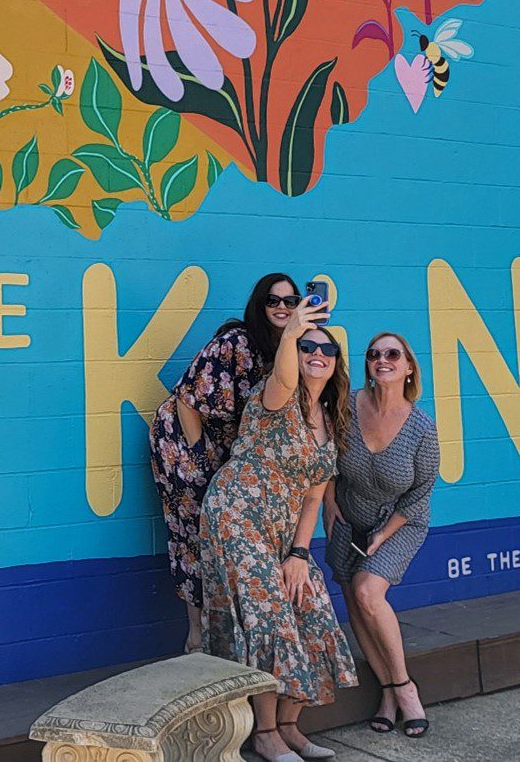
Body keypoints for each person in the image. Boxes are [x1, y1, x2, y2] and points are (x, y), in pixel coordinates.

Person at [200, 296, 356, 762]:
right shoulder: (277, 395)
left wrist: (300, 555)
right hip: (236, 516)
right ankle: (264, 733)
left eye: (326, 350)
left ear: (335, 364)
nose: (316, 354)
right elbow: (287, 373)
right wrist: (292, 331)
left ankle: (289, 727)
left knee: (308, 605)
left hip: (284, 533)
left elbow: (313, 496)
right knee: (268, 617)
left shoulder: (331, 421)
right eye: (308, 345)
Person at [149, 273, 301, 650]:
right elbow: (188, 399)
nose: (282, 307)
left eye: (291, 300)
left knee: (224, 535)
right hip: (184, 443)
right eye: (273, 300)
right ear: (258, 305)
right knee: (194, 532)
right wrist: (200, 457)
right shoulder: (236, 341)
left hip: (228, 451)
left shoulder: (287, 348)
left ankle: (225, 629)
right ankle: (197, 637)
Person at [324, 331, 441, 740]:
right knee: (353, 598)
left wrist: (380, 537)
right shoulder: (347, 407)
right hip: (348, 517)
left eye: (393, 354)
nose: (382, 359)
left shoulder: (422, 428)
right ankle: (387, 693)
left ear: (409, 367)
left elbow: (421, 494)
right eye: (374, 354)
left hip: (400, 523)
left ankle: (405, 688)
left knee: (368, 591)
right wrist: (327, 502)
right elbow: (324, 457)